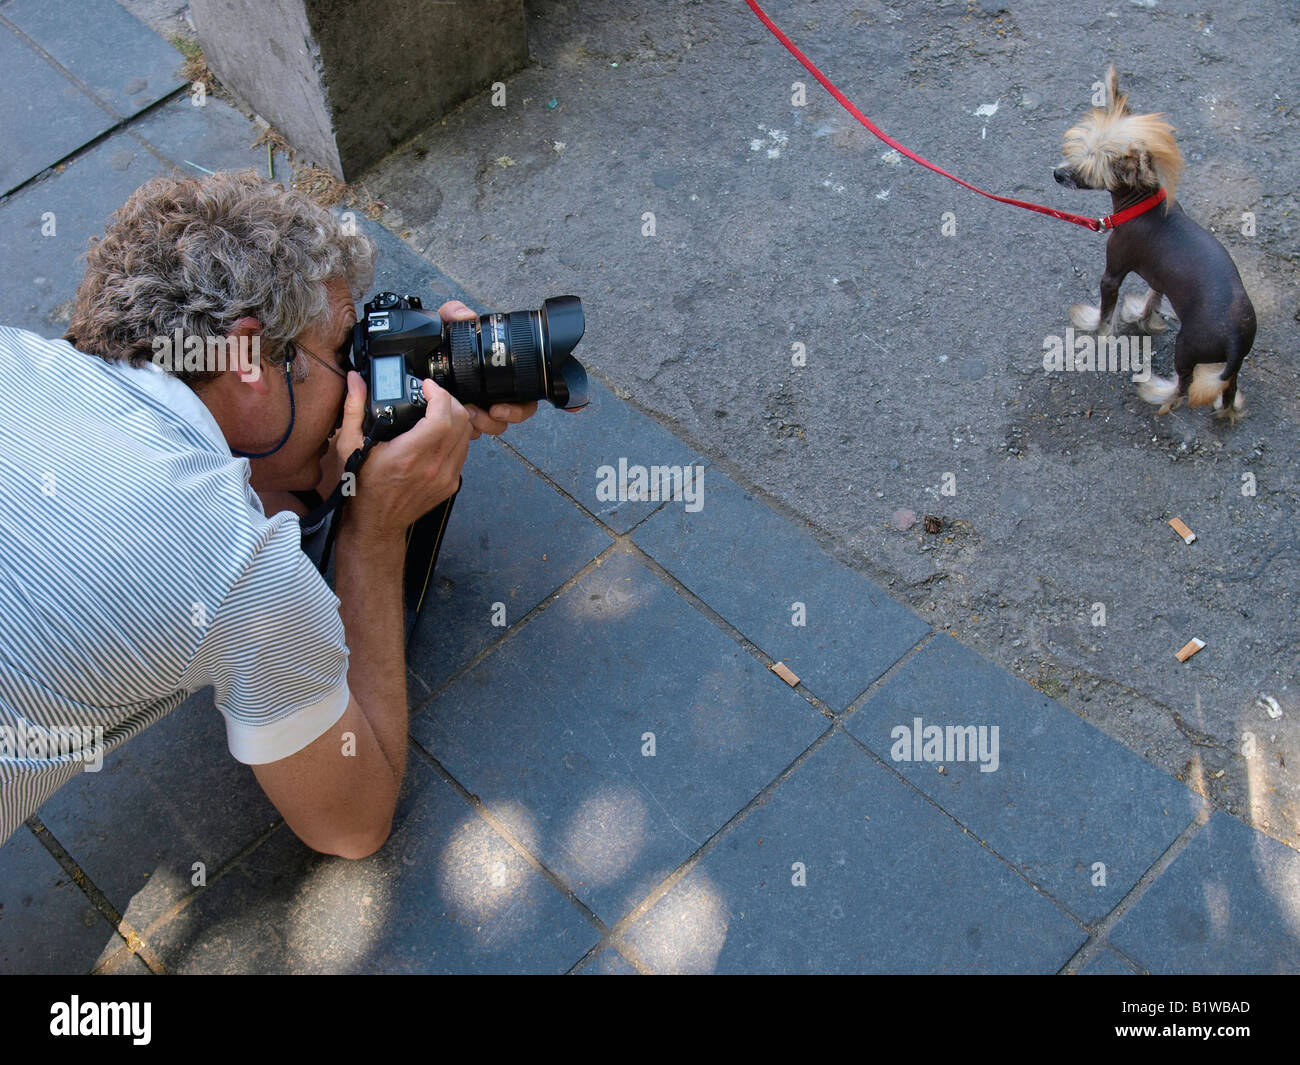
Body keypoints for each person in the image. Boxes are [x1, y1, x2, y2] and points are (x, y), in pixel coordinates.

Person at [0, 169, 535, 857]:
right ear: (249, 357)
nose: (361, 381)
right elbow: (353, 821)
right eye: (346, 351)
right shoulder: (231, 560)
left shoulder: (21, 358)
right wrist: (372, 532)